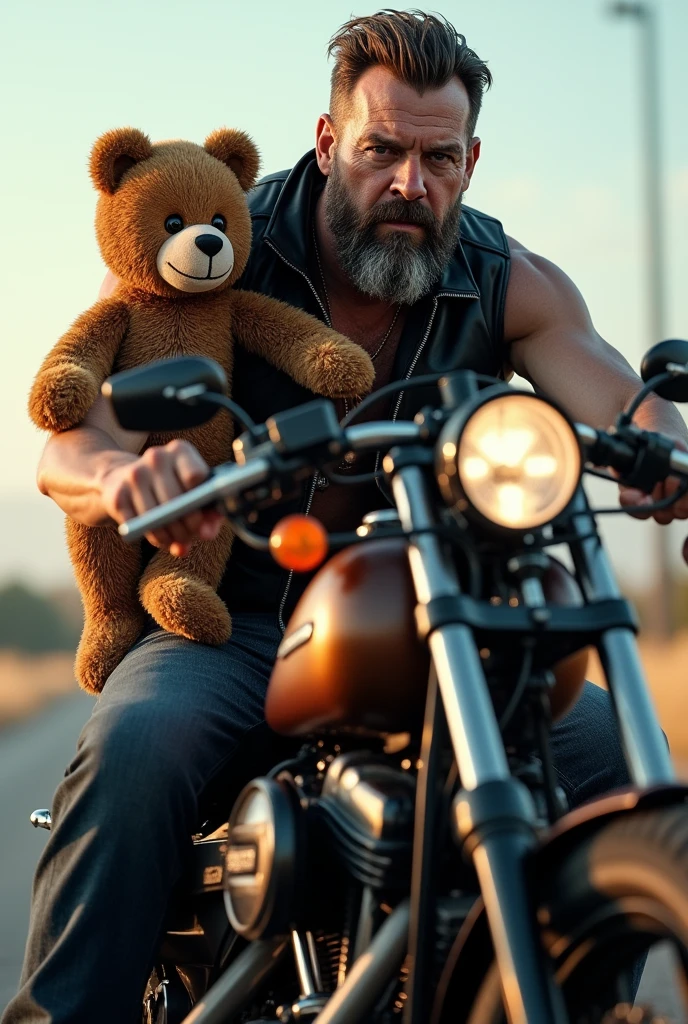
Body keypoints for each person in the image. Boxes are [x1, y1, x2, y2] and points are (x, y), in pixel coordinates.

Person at [6, 10, 688, 1023]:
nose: (410, 183)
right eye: (382, 151)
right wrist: (114, 474)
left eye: (437, 157)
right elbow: (69, 438)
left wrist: (668, 455)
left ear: (471, 159)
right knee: (134, 746)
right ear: (329, 144)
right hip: (227, 624)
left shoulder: (509, 282)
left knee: (619, 760)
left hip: (426, 630)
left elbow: (627, 405)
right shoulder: (209, 233)